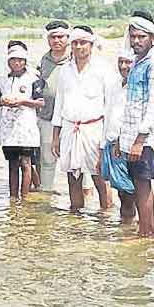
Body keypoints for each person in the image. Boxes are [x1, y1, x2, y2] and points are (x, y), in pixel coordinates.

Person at [113, 12, 154, 237]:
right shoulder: (138, 62)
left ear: (152, 38)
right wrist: (122, 138)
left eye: (142, 37)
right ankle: (144, 233)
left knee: (143, 186)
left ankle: (147, 234)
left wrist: (139, 140)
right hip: (131, 137)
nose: (136, 41)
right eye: (133, 37)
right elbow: (131, 105)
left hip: (144, 140)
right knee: (137, 186)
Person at [51, 26, 120, 211]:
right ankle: (75, 218)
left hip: (94, 130)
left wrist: (106, 141)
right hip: (69, 128)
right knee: (73, 177)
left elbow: (110, 107)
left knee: (100, 176)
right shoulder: (65, 70)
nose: (79, 47)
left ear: (91, 44)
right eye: (75, 43)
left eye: (83, 43)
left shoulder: (104, 69)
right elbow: (59, 104)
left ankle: (105, 218)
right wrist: (56, 136)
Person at [0, 43, 44, 202]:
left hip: (26, 126)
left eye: (20, 60)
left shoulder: (33, 79)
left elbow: (40, 102)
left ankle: (24, 197)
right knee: (12, 164)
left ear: (25, 61)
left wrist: (23, 101)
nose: (17, 63)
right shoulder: (3, 80)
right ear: (8, 62)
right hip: (8, 127)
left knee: (26, 163)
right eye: (13, 60)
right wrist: (2, 101)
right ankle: (12, 197)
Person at [36, 20, 72, 194]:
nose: (56, 40)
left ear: (68, 38)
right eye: (52, 37)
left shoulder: (75, 58)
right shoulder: (44, 59)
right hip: (47, 116)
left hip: (72, 118)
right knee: (47, 158)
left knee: (76, 160)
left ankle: (85, 198)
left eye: (60, 37)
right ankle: (46, 194)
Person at [103, 44, 137, 220]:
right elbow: (108, 115)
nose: (124, 66)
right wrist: (102, 146)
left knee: (129, 192)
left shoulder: (138, 87)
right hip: (110, 143)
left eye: (128, 62)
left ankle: (128, 229)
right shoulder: (114, 85)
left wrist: (119, 141)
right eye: (121, 62)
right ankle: (127, 227)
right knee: (121, 191)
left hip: (126, 145)